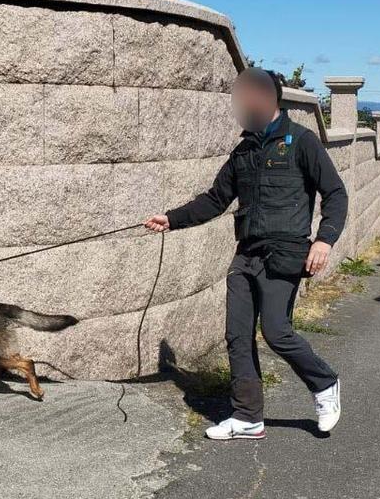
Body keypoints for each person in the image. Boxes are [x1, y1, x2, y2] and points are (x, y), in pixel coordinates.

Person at [143, 67, 348, 440]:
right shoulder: (244, 149)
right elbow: (215, 199)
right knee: (237, 334)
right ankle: (248, 416)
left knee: (276, 331)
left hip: (285, 253)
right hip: (247, 254)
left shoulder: (301, 142)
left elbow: (335, 194)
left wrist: (324, 240)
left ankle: (324, 383)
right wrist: (171, 219)